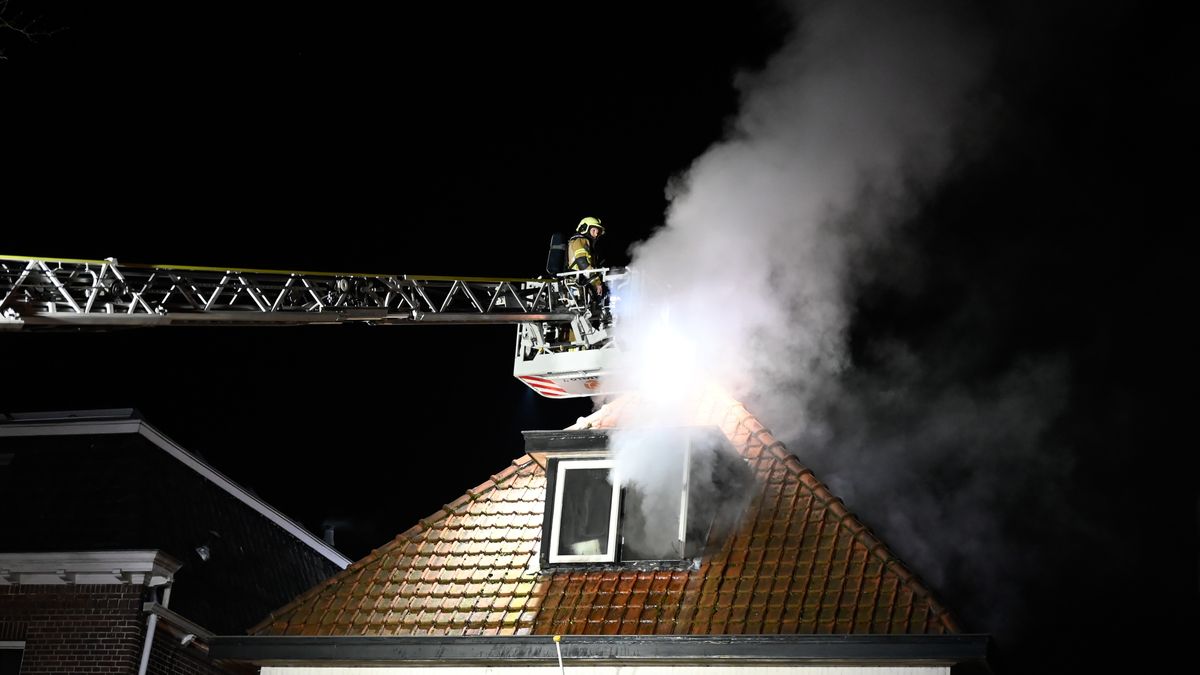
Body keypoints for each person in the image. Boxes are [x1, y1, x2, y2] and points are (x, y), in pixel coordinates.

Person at [567, 216, 606, 314]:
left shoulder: (587, 243)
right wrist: (596, 282)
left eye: (598, 232)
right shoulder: (579, 241)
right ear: (585, 229)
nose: (597, 234)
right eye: (594, 230)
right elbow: (582, 263)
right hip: (577, 279)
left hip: (583, 279)